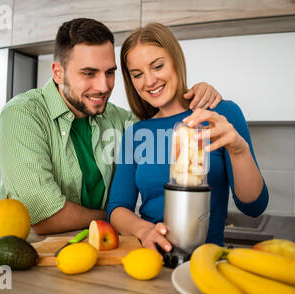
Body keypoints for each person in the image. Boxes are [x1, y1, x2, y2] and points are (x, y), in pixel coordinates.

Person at [0, 18, 222, 235]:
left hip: (102, 255)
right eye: (89, 73)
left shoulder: (122, 121)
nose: (103, 86)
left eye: (110, 72)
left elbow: (167, 119)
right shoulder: (23, 115)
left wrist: (196, 95)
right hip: (35, 257)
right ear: (58, 73)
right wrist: (114, 216)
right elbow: (44, 216)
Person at [107, 23, 269, 253]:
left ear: (176, 60)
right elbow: (117, 208)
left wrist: (238, 150)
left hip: (206, 262)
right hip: (150, 260)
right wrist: (143, 230)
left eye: (158, 66)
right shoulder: (136, 133)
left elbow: (254, 206)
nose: (150, 81)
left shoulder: (220, 115)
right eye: (138, 74)